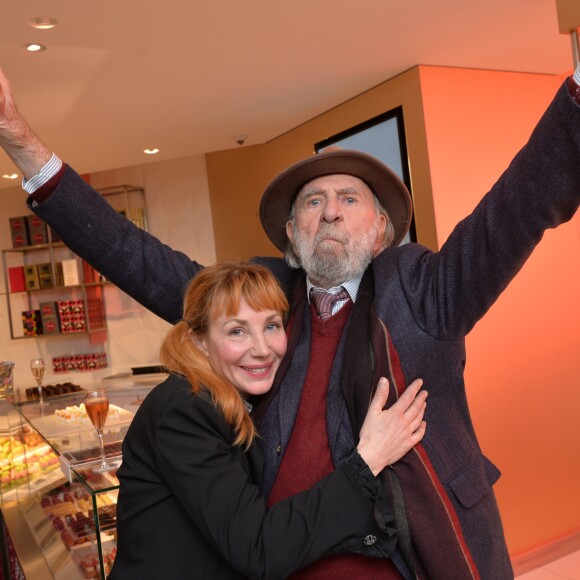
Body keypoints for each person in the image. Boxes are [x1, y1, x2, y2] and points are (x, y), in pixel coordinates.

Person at [0, 63, 579, 578]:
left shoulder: (421, 291)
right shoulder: (261, 300)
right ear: (292, 241)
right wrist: (26, 147)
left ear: (380, 230)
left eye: (350, 199)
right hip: (279, 556)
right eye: (313, 201)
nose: (330, 210)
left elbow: (514, 209)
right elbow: (136, 258)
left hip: (405, 558)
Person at [108, 260, 428, 579]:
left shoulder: (231, 398)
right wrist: (369, 459)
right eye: (237, 331)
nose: (261, 349)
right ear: (199, 341)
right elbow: (259, 549)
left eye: (271, 326)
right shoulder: (184, 410)